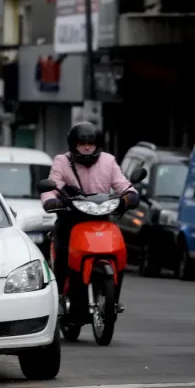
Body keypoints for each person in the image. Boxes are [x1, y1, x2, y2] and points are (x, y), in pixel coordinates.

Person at [41, 122, 139, 304]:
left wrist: (130, 195)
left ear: (98, 146)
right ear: (73, 146)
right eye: (81, 144)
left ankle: (114, 301)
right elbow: (51, 186)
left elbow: (121, 183)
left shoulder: (108, 161)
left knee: (120, 251)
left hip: (102, 217)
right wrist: (50, 200)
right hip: (71, 218)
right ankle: (59, 299)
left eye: (91, 144)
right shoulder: (62, 161)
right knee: (63, 253)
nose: (86, 148)